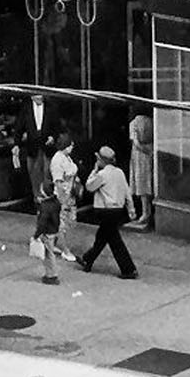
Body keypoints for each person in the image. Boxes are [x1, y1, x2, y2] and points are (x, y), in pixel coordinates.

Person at [78, 145, 140, 278]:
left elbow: (89, 187)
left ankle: (128, 269)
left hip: (105, 211)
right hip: (118, 210)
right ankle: (87, 260)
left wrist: (94, 170)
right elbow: (127, 193)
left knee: (112, 239)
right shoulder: (120, 173)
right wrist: (131, 209)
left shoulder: (102, 175)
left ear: (101, 160)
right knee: (104, 237)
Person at [48, 129, 82, 269]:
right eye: (70, 145)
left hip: (70, 193)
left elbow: (72, 172)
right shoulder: (57, 160)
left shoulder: (67, 157)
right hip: (62, 196)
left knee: (66, 223)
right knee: (62, 225)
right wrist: (64, 201)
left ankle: (52, 244)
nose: (72, 147)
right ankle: (65, 250)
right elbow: (58, 182)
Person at [126, 109, 155, 230]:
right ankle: (147, 211)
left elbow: (136, 142)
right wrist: (151, 151)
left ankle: (145, 213)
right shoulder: (152, 121)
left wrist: (145, 151)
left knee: (141, 183)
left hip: (139, 155)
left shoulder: (134, 123)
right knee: (149, 181)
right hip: (151, 152)